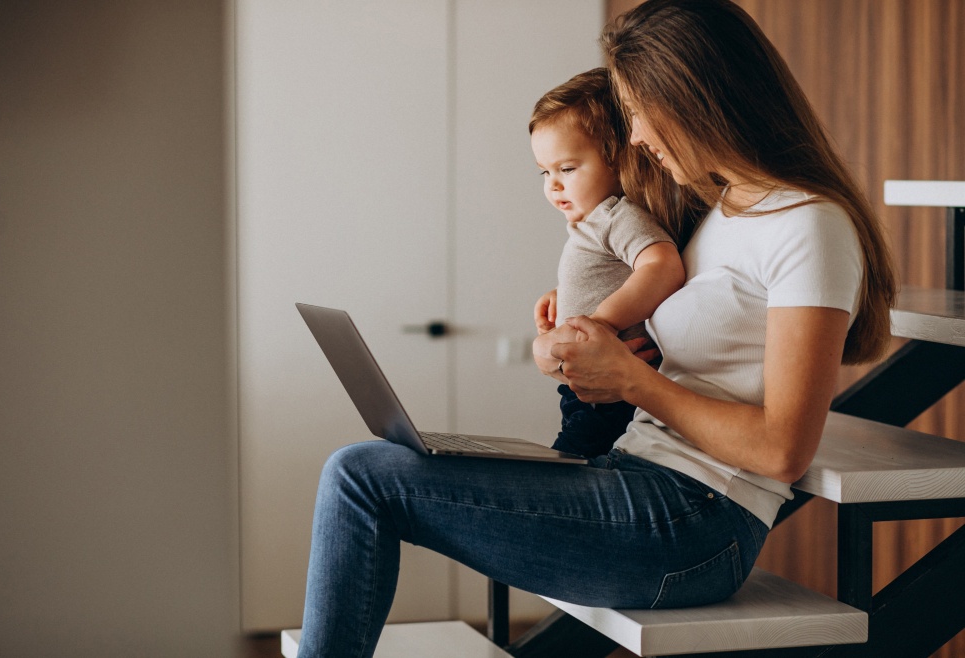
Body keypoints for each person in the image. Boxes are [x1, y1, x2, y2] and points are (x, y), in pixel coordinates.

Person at [295, 1, 897, 655]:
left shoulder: (810, 226)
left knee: (361, 475)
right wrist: (584, 325)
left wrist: (633, 381)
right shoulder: (723, 208)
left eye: (639, 112)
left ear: (694, 98)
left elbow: (785, 451)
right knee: (378, 465)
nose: (635, 137)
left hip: (693, 523)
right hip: (635, 474)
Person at [529, 68, 684, 458]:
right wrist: (564, 296)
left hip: (610, 396)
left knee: (563, 479)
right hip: (589, 393)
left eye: (567, 169)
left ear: (618, 159)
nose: (553, 185)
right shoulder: (595, 222)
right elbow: (621, 273)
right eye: (545, 172)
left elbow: (662, 266)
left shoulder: (618, 215)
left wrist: (602, 321)